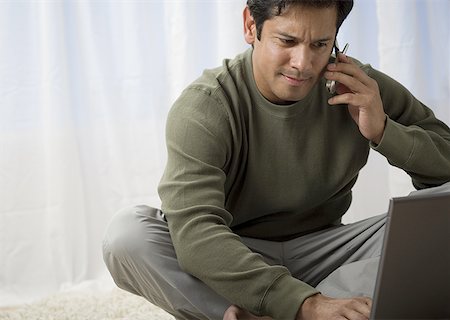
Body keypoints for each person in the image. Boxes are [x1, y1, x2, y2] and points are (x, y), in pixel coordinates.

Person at [102, 1, 450, 319]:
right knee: (127, 236)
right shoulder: (205, 106)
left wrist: (384, 131)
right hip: (235, 259)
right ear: (251, 28)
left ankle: (311, 308)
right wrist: (305, 304)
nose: (303, 63)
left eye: (319, 45)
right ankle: (264, 311)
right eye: (287, 41)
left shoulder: (358, 86)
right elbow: (197, 233)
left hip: (327, 254)